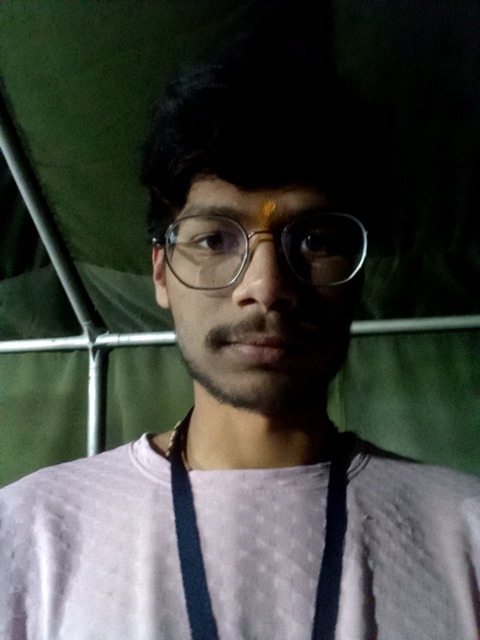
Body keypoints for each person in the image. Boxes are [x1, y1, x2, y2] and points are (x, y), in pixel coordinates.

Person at [1, 35, 480, 640]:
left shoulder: (467, 535)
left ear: (358, 272)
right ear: (160, 273)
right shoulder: (28, 536)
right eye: (215, 239)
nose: (266, 286)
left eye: (315, 240)